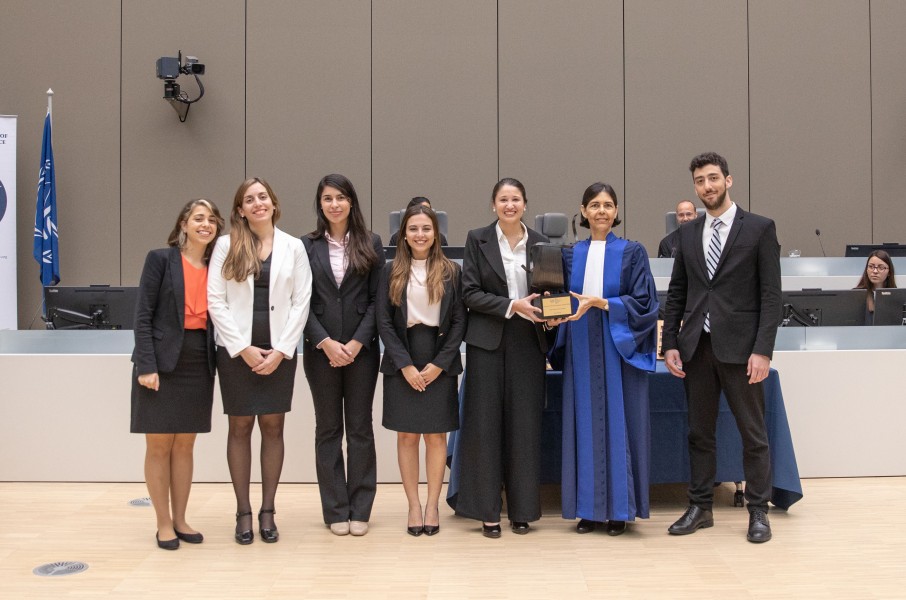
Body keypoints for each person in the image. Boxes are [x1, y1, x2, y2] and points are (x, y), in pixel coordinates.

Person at [662, 152, 781, 543]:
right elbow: (678, 293)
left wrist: (763, 350)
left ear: (728, 181)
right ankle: (700, 507)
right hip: (697, 347)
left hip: (743, 350)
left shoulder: (760, 229)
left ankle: (759, 511)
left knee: (753, 433)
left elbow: (770, 296)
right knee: (700, 432)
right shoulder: (687, 233)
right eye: (699, 181)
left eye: (713, 178)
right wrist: (670, 344)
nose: (707, 186)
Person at [207, 177, 312, 545]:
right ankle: (243, 512)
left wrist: (283, 349)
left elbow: (302, 301)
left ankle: (268, 510)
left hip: (279, 352)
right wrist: (242, 348)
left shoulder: (294, 247)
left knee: (273, 428)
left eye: (262, 197)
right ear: (240, 210)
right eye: (249, 200)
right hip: (237, 352)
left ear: (273, 202)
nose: (257, 203)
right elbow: (215, 301)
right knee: (239, 429)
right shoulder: (226, 245)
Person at [552, 182, 659, 536]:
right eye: (594, 205)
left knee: (619, 423)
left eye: (608, 205)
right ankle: (589, 511)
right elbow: (559, 298)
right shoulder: (570, 254)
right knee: (584, 424)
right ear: (583, 211)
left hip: (618, 345)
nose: (601, 211)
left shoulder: (632, 252)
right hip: (582, 344)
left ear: (616, 212)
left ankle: (619, 512)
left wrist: (604, 304)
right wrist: (552, 312)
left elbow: (645, 304)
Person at [449, 177, 551, 538]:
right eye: (503, 199)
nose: (510, 205)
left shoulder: (540, 242)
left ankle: (522, 511)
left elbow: (552, 290)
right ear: (493, 205)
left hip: (528, 342)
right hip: (487, 343)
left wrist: (552, 311)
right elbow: (470, 293)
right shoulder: (477, 239)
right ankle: (487, 512)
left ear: (525, 204)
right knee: (484, 429)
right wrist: (512, 305)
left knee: (525, 428)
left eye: (516, 199)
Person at [131, 198, 224, 550]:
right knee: (159, 445)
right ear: (183, 224)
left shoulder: (218, 264)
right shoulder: (160, 259)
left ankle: (182, 518)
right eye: (198, 218)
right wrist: (146, 365)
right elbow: (142, 316)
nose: (206, 224)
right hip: (160, 360)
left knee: (185, 445)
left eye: (212, 219)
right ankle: (163, 523)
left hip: (199, 360)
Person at [302, 173, 384, 537]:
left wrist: (354, 343)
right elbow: (297, 303)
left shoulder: (371, 242)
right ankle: (335, 509)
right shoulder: (306, 246)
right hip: (320, 352)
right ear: (320, 204)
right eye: (327, 198)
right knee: (328, 429)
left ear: (351, 201)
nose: (334, 204)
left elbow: (376, 301)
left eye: (340, 197)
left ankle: (361, 508)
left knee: (361, 429)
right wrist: (325, 342)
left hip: (361, 352)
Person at [377, 204, 465, 536]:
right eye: (413, 229)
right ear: (403, 234)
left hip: (438, 359)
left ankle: (432, 505)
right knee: (407, 436)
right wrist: (406, 366)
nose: (420, 235)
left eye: (426, 229)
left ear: (436, 233)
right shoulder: (390, 271)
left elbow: (459, 322)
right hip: (403, 359)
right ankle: (413, 506)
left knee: (436, 436)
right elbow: (384, 322)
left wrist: (438, 366)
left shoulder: (451, 270)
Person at [854, 250, 897, 322]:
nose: (875, 271)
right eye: (871, 266)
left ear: (889, 272)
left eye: (881, 267)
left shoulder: (897, 296)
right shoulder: (855, 295)